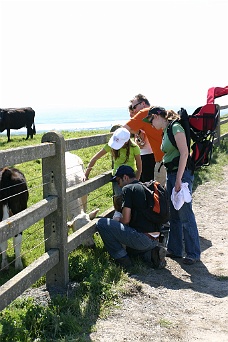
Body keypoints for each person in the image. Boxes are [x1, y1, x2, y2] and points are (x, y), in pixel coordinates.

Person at [143, 106, 201, 265]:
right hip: (172, 174)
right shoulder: (167, 129)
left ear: (157, 116)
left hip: (181, 175)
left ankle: (193, 253)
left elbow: (184, 152)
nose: (150, 123)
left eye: (150, 119)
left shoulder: (175, 127)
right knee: (173, 214)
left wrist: (179, 179)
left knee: (185, 214)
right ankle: (175, 249)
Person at [96, 165, 166, 269]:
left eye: (118, 181)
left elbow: (126, 220)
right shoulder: (144, 187)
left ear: (125, 177)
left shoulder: (128, 189)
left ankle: (123, 261)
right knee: (130, 247)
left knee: (101, 223)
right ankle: (152, 254)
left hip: (142, 238)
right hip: (156, 238)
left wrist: (116, 219)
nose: (118, 185)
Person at [124, 94, 166, 187]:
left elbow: (124, 129)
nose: (134, 110)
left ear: (143, 104)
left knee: (158, 191)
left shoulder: (144, 113)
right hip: (170, 157)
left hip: (160, 159)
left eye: (135, 107)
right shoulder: (159, 113)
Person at [84, 127, 142, 196]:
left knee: (131, 202)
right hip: (118, 179)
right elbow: (95, 158)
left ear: (126, 142)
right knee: (119, 200)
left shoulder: (134, 148)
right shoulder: (111, 146)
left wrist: (136, 181)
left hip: (130, 179)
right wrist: (86, 174)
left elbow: (139, 167)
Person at [128, 104, 155, 182]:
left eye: (132, 112)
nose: (131, 115)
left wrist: (138, 133)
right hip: (143, 155)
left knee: (147, 181)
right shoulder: (139, 124)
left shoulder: (141, 124)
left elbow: (142, 144)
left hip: (147, 155)